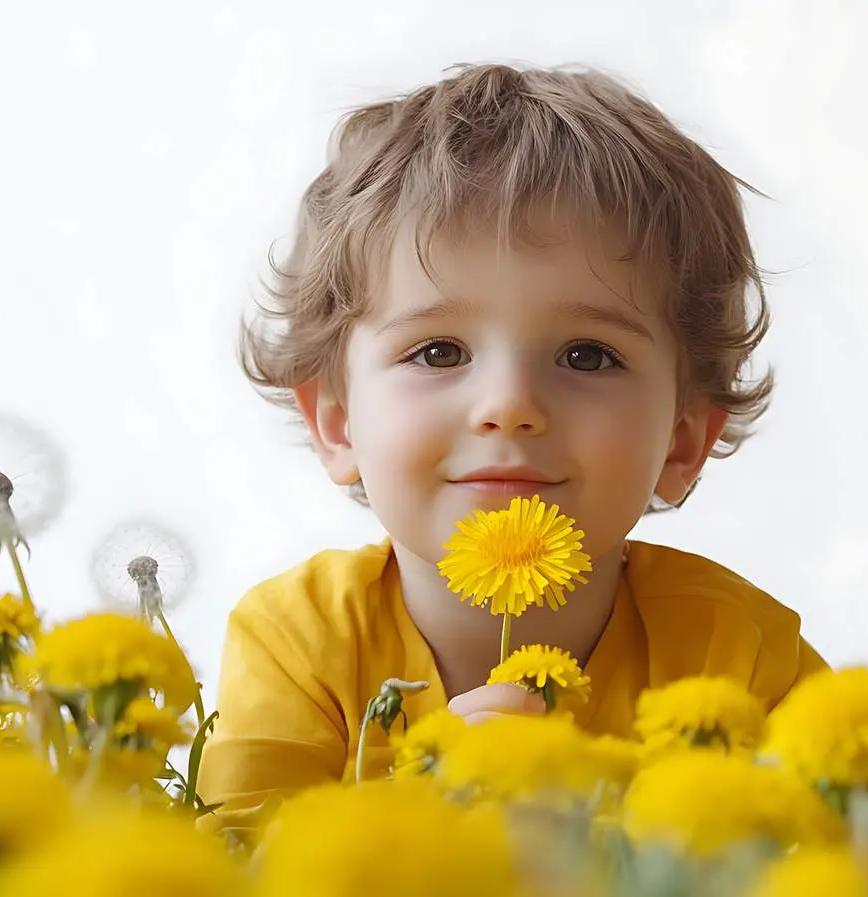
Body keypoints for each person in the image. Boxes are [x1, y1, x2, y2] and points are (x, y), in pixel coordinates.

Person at [196, 62, 828, 836]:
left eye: (588, 356)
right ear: (337, 423)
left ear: (683, 439)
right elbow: (237, 866)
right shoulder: (300, 640)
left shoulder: (741, 654)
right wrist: (427, 818)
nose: (509, 406)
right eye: (437, 352)